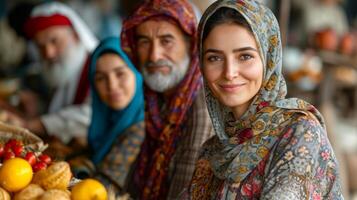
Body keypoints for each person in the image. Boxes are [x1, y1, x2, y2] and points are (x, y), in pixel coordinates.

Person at [185, 0, 344, 199]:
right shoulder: (212, 152)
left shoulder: (300, 134)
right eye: (214, 58)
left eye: (245, 56)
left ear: (269, 59)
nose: (229, 72)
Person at [120, 0, 214, 199]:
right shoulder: (157, 97)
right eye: (144, 41)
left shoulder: (202, 106)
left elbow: (185, 188)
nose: (154, 56)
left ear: (191, 45)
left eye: (166, 41)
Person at [70, 37, 145, 194]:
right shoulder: (109, 119)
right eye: (101, 78)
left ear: (137, 72)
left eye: (120, 74)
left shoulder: (141, 128)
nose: (112, 86)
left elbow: (99, 191)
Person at [19, 2, 98, 143]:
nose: (48, 53)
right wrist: (37, 106)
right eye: (41, 46)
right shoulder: (65, 67)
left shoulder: (100, 65)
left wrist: (32, 124)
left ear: (75, 35)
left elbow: (91, 114)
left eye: (54, 41)